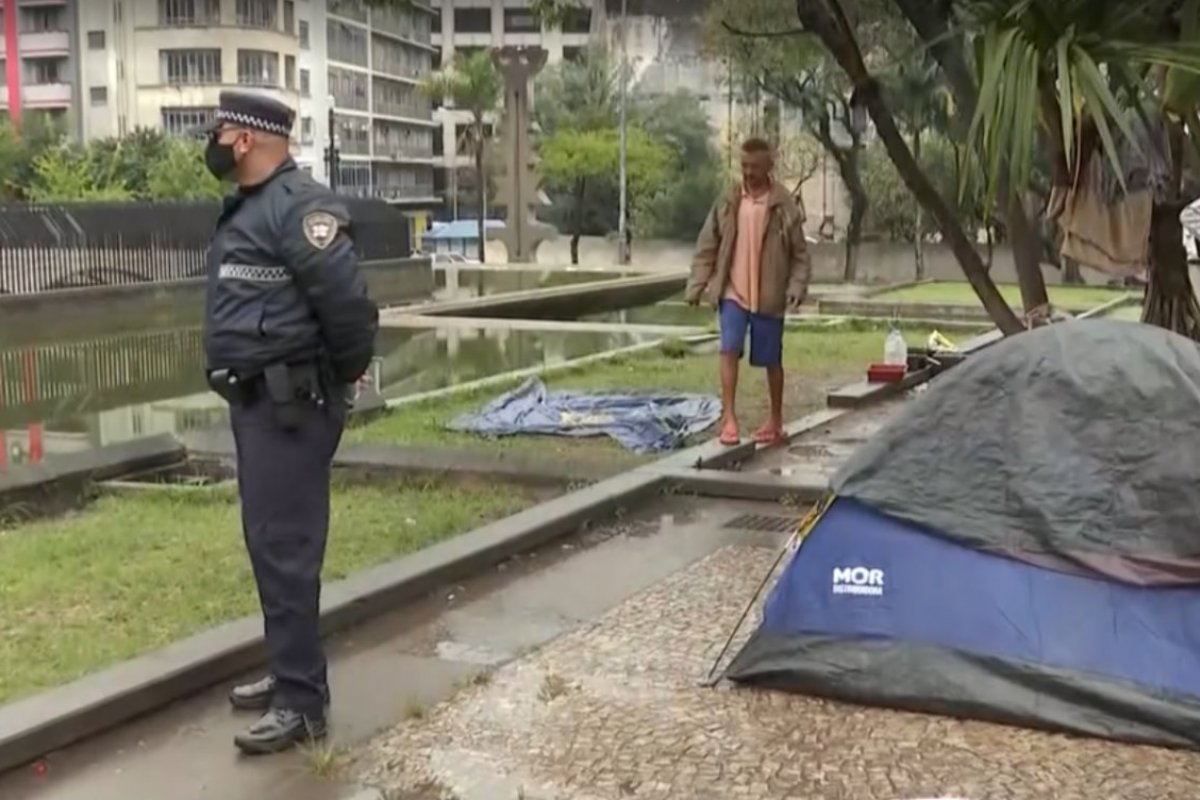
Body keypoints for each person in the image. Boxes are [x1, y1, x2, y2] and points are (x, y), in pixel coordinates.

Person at [201, 91, 379, 755]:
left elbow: (349, 310)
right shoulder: (249, 207)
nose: (213, 141)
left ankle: (302, 704)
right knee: (269, 546)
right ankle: (289, 671)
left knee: (287, 549)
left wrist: (339, 379)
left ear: (246, 140)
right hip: (257, 405)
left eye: (220, 131)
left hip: (292, 407)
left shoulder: (300, 208)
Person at [686, 137, 811, 446]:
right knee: (729, 349)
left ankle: (775, 420)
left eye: (754, 166)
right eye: (744, 166)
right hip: (733, 291)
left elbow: (800, 254)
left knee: (771, 359)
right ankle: (729, 419)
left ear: (769, 166)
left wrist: (796, 286)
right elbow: (707, 244)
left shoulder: (783, 205)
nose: (748, 172)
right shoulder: (728, 200)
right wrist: (697, 284)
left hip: (769, 294)